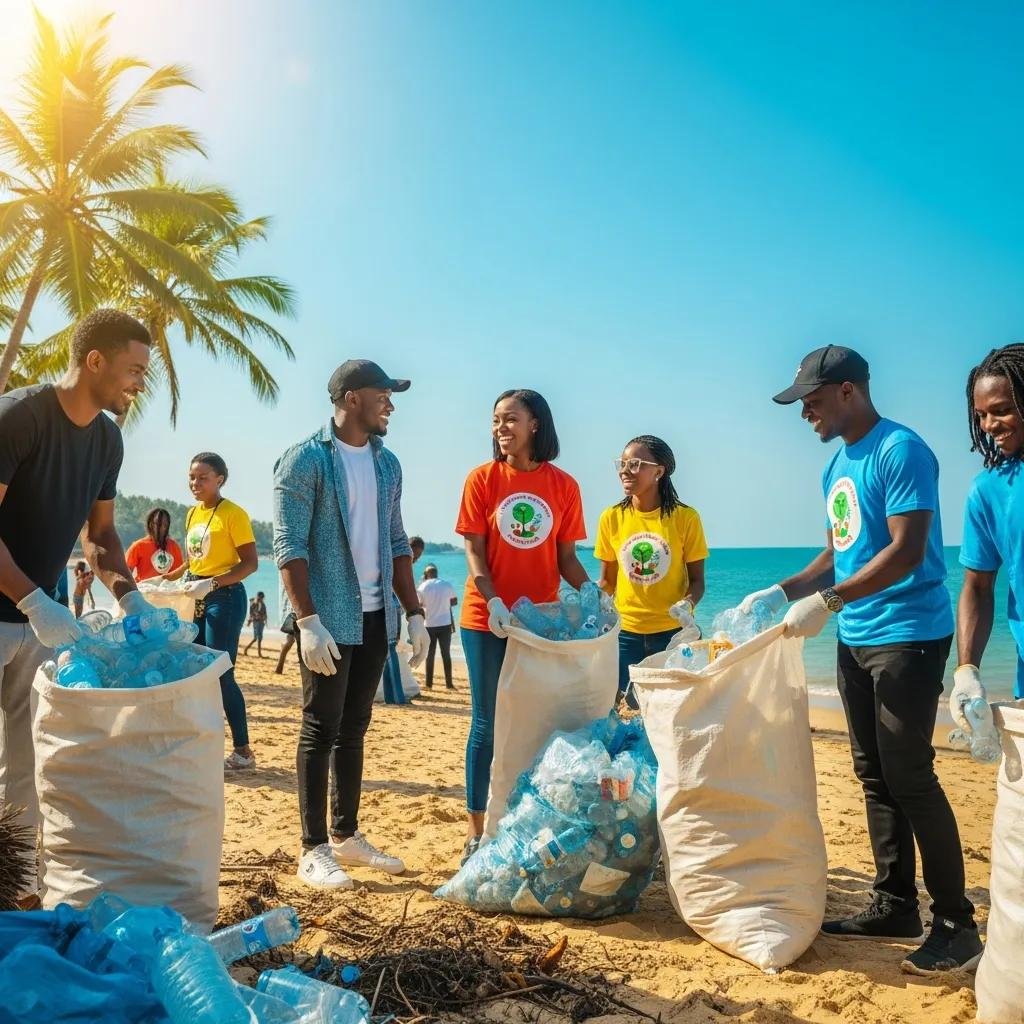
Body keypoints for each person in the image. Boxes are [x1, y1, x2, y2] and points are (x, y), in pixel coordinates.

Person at [739, 345, 980, 974]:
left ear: (849, 390)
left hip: (908, 634)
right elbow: (836, 555)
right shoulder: (835, 467)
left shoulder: (900, 450)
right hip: (857, 636)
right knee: (873, 773)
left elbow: (907, 550)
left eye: (812, 402)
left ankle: (956, 924)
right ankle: (895, 901)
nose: (805, 415)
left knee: (911, 775)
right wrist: (783, 591)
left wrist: (829, 599)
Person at [0, 308, 158, 899]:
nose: (139, 383)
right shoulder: (19, 416)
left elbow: (99, 537)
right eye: (133, 370)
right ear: (95, 360)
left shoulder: (107, 440)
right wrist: (36, 599)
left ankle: (16, 898)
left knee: (26, 775)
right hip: (25, 609)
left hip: (39, 628)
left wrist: (130, 597)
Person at [274, 359, 428, 889]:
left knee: (354, 728)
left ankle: (345, 835)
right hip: (327, 616)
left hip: (376, 614)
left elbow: (396, 541)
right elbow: (289, 545)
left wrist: (413, 613)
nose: (391, 404)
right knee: (320, 726)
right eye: (383, 394)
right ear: (351, 397)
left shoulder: (388, 465)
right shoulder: (304, 461)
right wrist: (307, 619)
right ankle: (312, 848)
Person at [456, 388, 589, 863]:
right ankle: (476, 831)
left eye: (510, 419)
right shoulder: (482, 479)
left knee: (535, 722)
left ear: (536, 424)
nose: (500, 428)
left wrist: (592, 594)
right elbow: (474, 549)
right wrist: (492, 599)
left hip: (541, 624)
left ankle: (526, 817)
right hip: (484, 619)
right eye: (495, 420)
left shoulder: (564, 486)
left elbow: (566, 558)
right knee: (487, 723)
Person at [595, 435, 708, 702]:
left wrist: (687, 606)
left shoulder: (685, 518)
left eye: (634, 464)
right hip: (625, 635)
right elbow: (607, 582)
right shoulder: (611, 517)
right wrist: (589, 605)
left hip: (672, 635)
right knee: (623, 706)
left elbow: (698, 580)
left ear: (659, 471)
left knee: (670, 708)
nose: (624, 470)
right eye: (621, 464)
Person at [164, 453, 258, 771]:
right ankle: (202, 741)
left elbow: (250, 564)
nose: (195, 483)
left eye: (203, 477)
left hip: (225, 597)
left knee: (220, 671)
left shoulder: (233, 514)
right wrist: (169, 577)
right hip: (196, 596)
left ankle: (243, 751)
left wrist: (213, 583)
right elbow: (194, 560)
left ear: (220, 479)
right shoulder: (192, 514)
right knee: (196, 670)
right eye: (192, 477)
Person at [951, 345, 1024, 733]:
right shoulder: (988, 490)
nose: (989, 425)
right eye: (981, 415)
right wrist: (966, 670)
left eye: (1001, 410)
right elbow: (978, 587)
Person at [417, 564, 458, 689]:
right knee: (446, 653)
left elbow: (419, 605)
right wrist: (444, 603)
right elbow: (454, 601)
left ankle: (429, 684)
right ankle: (449, 684)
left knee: (430, 654)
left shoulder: (423, 586)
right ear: (436, 572)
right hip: (445, 624)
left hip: (429, 625)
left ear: (426, 574)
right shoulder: (446, 584)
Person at [125, 507, 184, 582]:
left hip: (167, 591)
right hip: (145, 590)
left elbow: (180, 575)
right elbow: (125, 574)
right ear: (150, 524)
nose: (162, 528)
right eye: (158, 524)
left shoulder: (174, 546)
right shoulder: (138, 546)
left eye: (165, 525)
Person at [245, 591, 269, 658]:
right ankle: (258, 653)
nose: (262, 599)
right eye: (262, 597)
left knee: (258, 638)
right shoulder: (254, 603)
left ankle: (248, 650)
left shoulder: (260, 603)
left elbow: (264, 613)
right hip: (257, 622)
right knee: (257, 638)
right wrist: (256, 617)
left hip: (260, 622)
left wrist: (264, 620)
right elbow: (251, 613)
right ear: (261, 597)